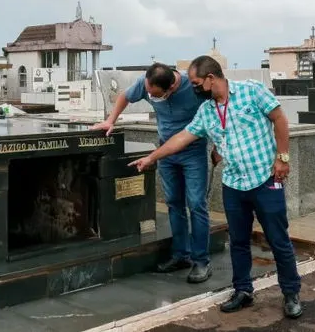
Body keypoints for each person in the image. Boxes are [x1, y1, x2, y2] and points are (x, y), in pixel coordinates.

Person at [129, 55, 302, 319]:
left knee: (278, 240)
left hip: (265, 179)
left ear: (211, 78)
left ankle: (291, 293)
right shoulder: (207, 110)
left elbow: (280, 119)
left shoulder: (251, 91)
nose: (193, 88)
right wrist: (153, 157)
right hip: (233, 184)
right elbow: (182, 137)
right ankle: (243, 290)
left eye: (197, 83)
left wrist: (283, 157)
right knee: (239, 242)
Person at [91, 63, 213, 283]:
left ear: (171, 88)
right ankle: (180, 255)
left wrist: (220, 146)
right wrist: (111, 120)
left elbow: (218, 110)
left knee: (196, 204)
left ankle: (201, 262)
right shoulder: (148, 82)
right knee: (174, 204)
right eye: (148, 92)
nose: (149, 96)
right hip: (165, 152)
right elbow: (124, 96)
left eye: (155, 95)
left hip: (193, 152)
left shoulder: (193, 88)